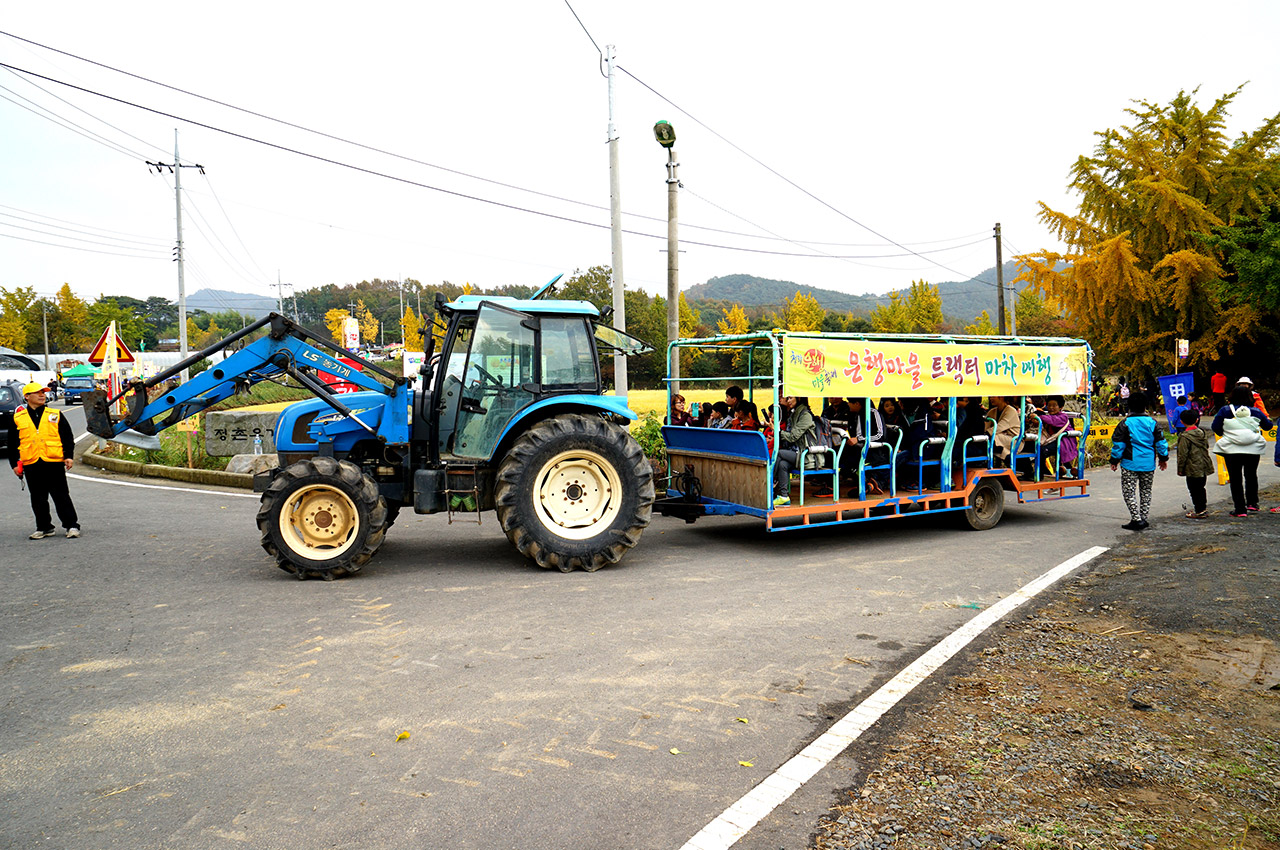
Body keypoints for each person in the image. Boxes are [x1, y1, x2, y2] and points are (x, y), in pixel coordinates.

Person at [7, 382, 80, 539]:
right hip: (31, 462)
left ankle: (72, 525)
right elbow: (12, 443)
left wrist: (68, 456)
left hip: (53, 460)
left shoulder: (54, 414)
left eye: (43, 392)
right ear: (27, 397)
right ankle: (44, 527)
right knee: (37, 497)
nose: (42, 395)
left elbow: (67, 436)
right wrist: (14, 463)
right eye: (38, 392)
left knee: (61, 495)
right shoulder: (18, 418)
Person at [1109, 391, 1169, 531]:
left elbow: (1119, 445)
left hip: (1130, 463)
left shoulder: (1125, 423)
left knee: (1129, 491)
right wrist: (1163, 458)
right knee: (1146, 491)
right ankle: (1144, 518)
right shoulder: (1152, 423)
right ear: (1145, 406)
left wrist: (1114, 460)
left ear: (1129, 406)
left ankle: (1136, 519)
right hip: (1148, 463)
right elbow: (1161, 442)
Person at [1211, 384, 1273, 517]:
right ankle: (1252, 503)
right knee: (1251, 475)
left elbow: (1215, 427)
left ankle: (1240, 509)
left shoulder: (1225, 410)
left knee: (1235, 477)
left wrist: (1227, 434)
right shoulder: (1255, 411)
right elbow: (1268, 427)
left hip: (1231, 449)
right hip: (1253, 448)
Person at [771, 396, 816, 507]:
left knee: (779, 453)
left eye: (790, 398)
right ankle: (784, 496)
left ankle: (771, 484)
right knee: (783, 464)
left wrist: (777, 431)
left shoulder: (805, 415)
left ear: (799, 398)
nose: (788, 401)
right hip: (796, 452)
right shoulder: (794, 413)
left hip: (807, 455)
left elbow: (792, 437)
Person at [1176, 408, 1212, 518]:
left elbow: (1182, 455)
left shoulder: (1185, 437)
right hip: (1203, 464)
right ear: (1197, 420)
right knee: (1201, 487)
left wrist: (1180, 469)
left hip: (1192, 467)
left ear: (1181, 421)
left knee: (1194, 489)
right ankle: (1202, 508)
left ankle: (1199, 510)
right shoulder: (1202, 433)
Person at [1038, 395, 1078, 478]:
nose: (1051, 408)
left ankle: (1043, 474)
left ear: (1061, 407)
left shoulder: (1063, 417)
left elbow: (1053, 421)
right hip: (1055, 440)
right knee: (1038, 450)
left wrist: (1038, 416)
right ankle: (1066, 469)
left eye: (1054, 405)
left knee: (1042, 452)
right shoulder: (1048, 415)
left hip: (1064, 442)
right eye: (1049, 405)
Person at [986, 396, 1021, 467]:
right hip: (1000, 437)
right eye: (990, 397)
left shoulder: (1011, 411)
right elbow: (987, 426)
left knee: (993, 438)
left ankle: (1007, 458)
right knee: (990, 438)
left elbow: (1000, 427)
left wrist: (986, 433)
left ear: (1001, 397)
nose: (991, 399)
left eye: (993, 396)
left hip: (1013, 440)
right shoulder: (992, 412)